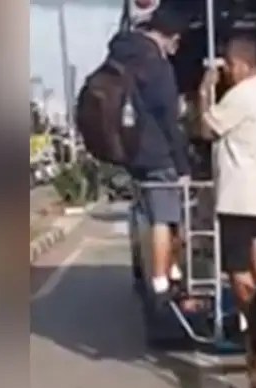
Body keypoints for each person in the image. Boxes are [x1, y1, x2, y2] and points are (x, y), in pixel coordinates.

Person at [196, 35, 256, 327]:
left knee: (237, 269)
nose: (227, 71)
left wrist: (206, 89)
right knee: (252, 261)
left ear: (245, 64)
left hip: (240, 196)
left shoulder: (243, 95)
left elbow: (208, 129)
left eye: (230, 64)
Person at [107, 6, 191, 301]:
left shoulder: (126, 54)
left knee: (156, 213)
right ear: (169, 37)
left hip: (135, 150)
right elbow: (168, 118)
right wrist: (183, 167)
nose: (174, 48)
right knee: (165, 218)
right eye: (176, 42)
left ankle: (171, 270)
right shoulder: (157, 64)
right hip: (158, 152)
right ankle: (161, 279)